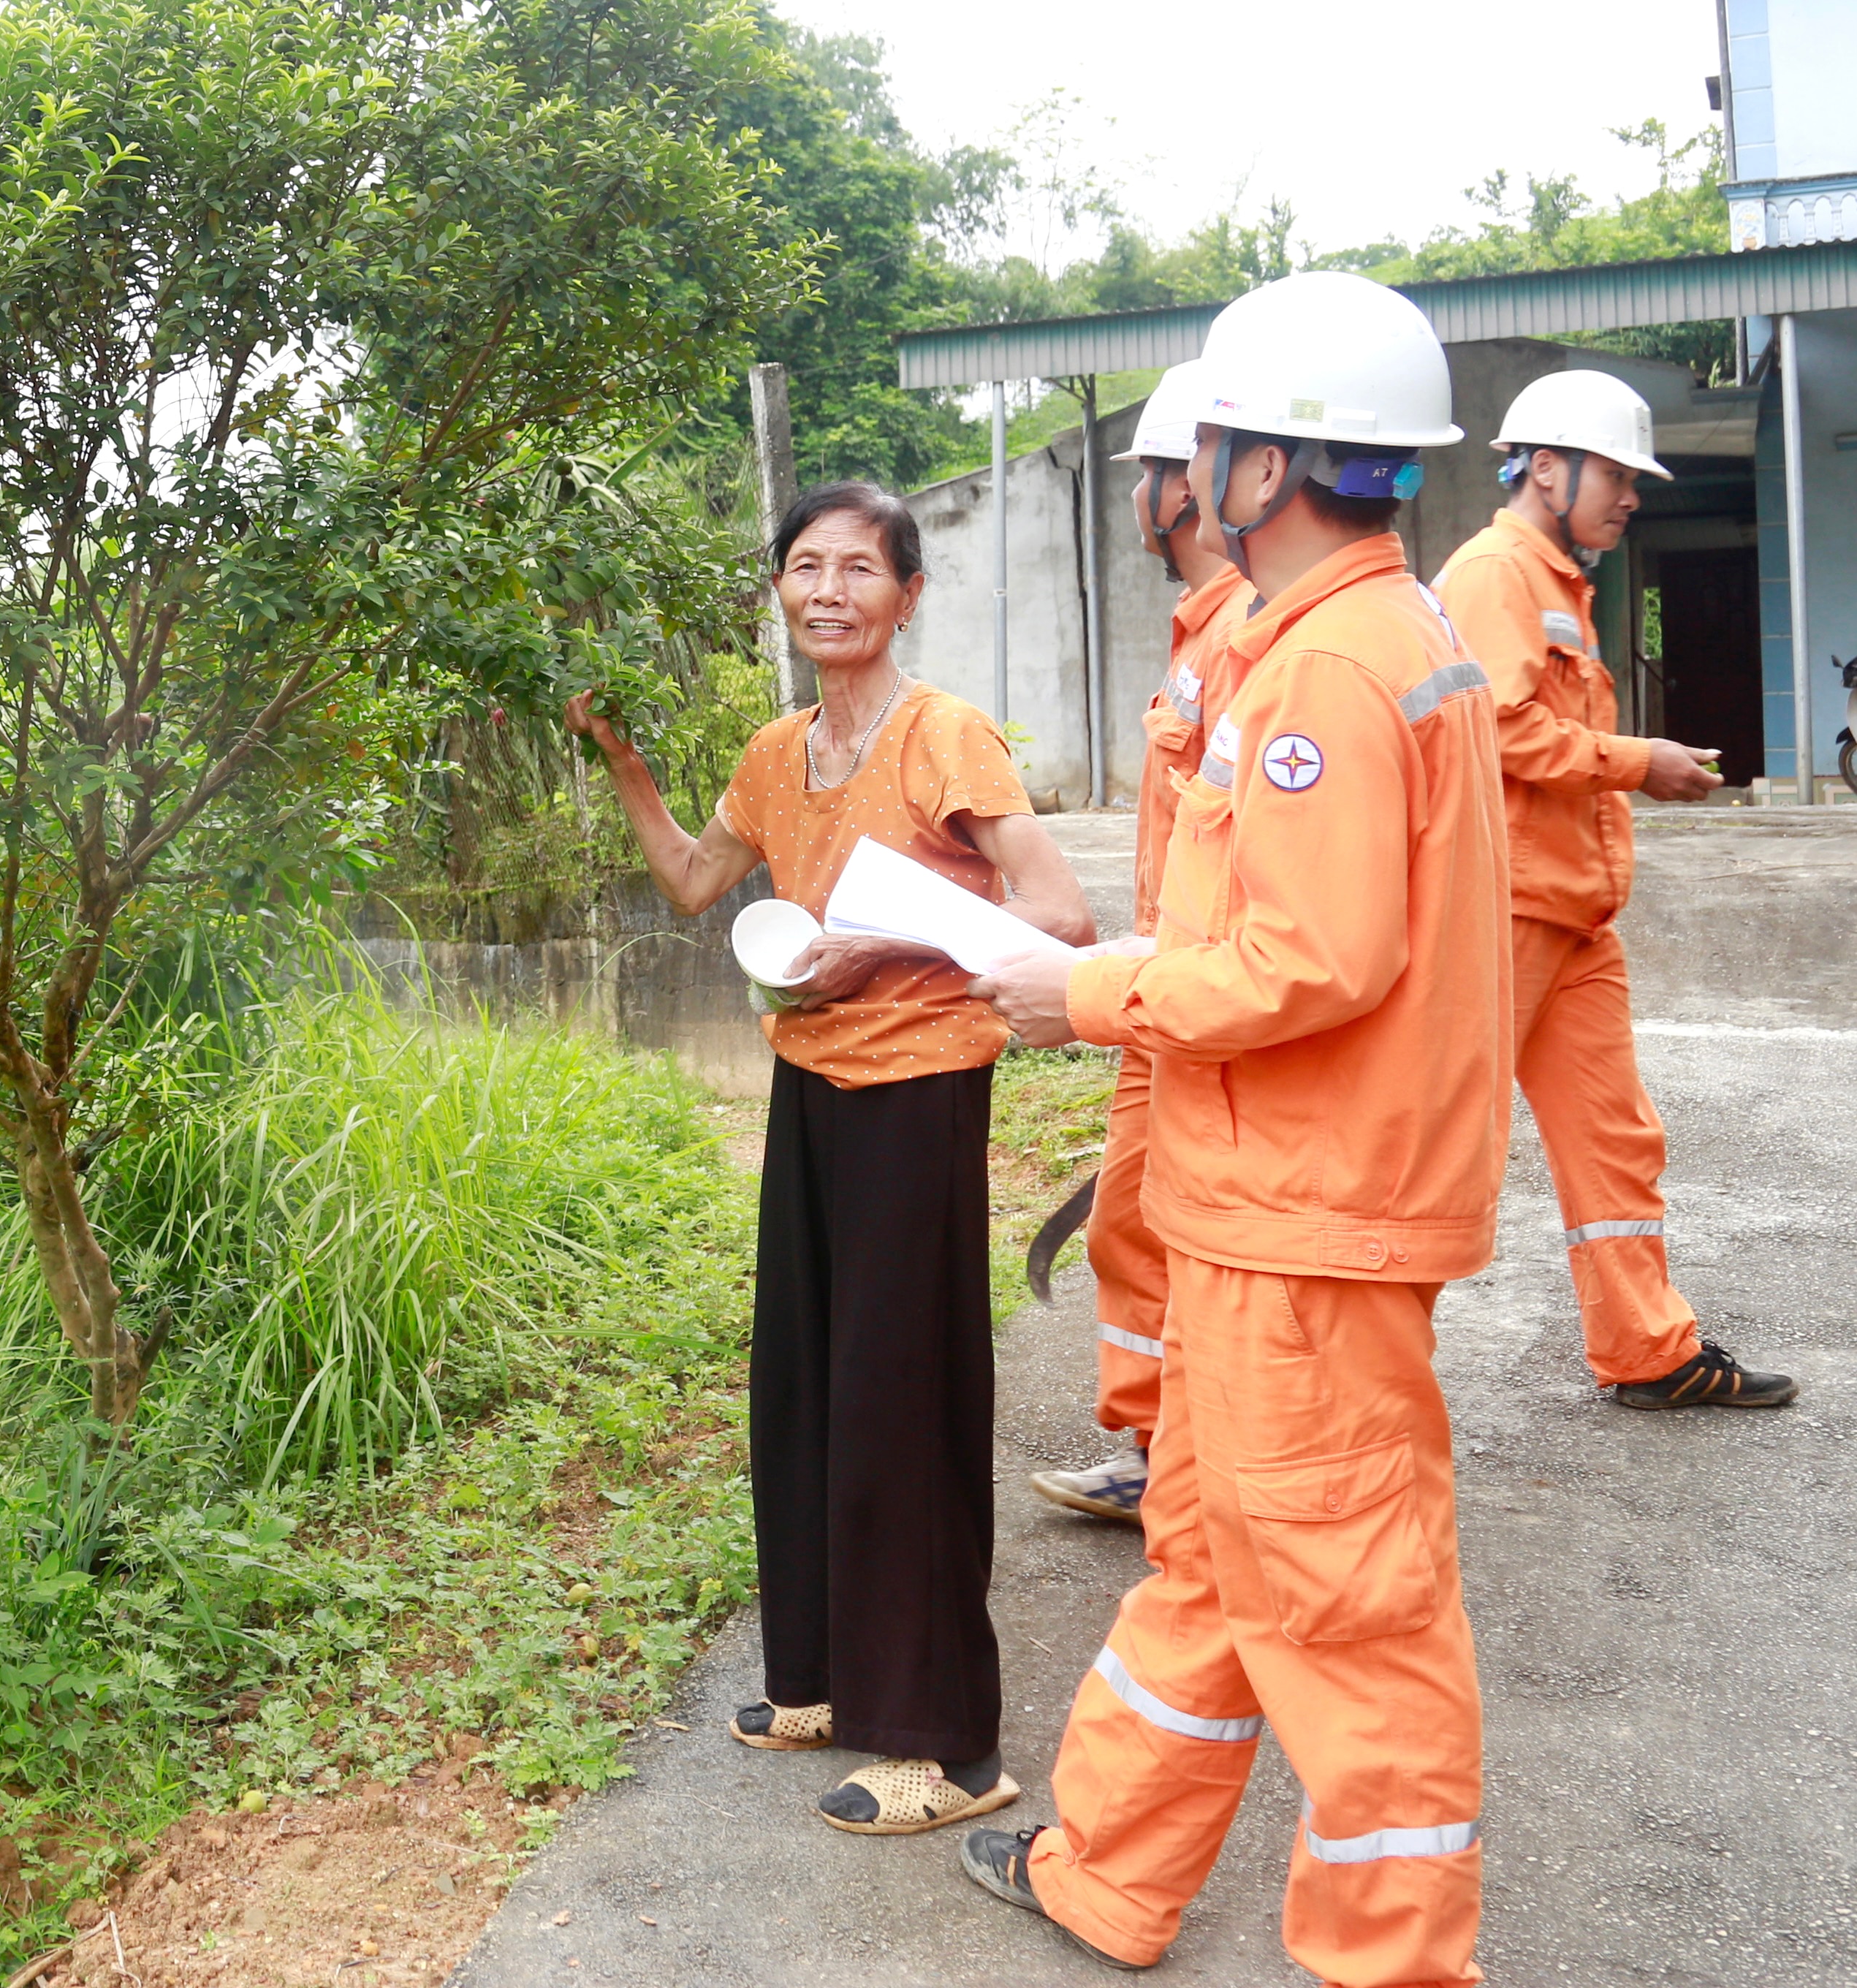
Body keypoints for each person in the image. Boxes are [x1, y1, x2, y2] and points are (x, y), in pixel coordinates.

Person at [953, 273, 1510, 1985]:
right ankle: (1106, 1870)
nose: (1191, 478)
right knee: (1206, 1559)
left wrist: (1089, 993)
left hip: (1306, 1225)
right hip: (1267, 1213)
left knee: (1353, 1622)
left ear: (1268, 468)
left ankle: (1396, 1960)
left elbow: (1310, 957)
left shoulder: (1335, 670)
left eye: (1209, 451)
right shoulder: (1347, 641)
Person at [565, 480, 1093, 1835]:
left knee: (900, 1406)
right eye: (806, 567)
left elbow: (1059, 912)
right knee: (804, 1389)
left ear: (906, 595)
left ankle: (943, 1749)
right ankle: (815, 1681)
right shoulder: (773, 747)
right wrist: (622, 760)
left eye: (860, 568)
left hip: (919, 1097)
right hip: (810, 1093)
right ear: (784, 594)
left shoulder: (943, 737)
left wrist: (887, 946)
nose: (830, 590)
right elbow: (694, 882)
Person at [1432, 371, 1798, 1412]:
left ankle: (1648, 1351)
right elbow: (1497, 728)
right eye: (1614, 472)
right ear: (1543, 467)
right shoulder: (1492, 575)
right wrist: (1638, 759)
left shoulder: (1559, 581)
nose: (1630, 494)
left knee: (1614, 1138)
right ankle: (1329, 1371)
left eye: (1634, 478)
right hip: (1505, 911)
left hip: (1573, 916)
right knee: (1437, 1146)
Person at [1030, 360, 1253, 1529]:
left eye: (1145, 475)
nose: (1134, 499)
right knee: (1126, 1217)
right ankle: (1152, 1444)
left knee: (1166, 1222)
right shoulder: (1197, 634)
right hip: (1156, 979)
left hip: (1193, 996)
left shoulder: (1244, 642)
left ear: (1187, 487)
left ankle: (1180, 1454)